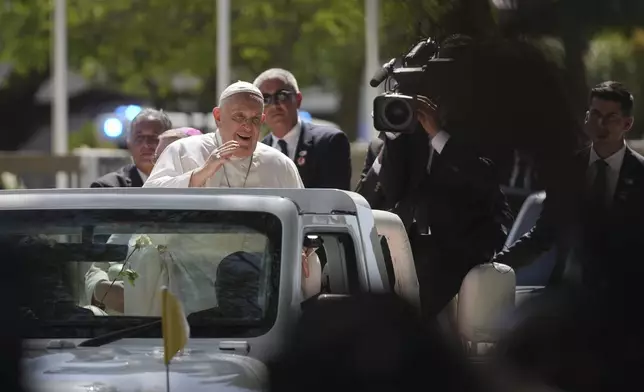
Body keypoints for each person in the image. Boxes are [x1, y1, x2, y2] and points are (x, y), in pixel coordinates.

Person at [493, 82, 644, 291]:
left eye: (611, 118)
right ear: (586, 118)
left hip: (625, 301)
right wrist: (493, 267)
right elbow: (542, 236)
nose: (601, 123)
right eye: (595, 114)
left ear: (627, 124)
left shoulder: (640, 174)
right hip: (568, 298)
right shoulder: (567, 171)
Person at [145, 81, 303, 189]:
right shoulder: (183, 151)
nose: (247, 127)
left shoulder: (280, 165)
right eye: (239, 117)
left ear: (262, 120)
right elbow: (148, 198)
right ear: (218, 116)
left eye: (254, 119)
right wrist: (199, 175)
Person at [254, 68, 352, 190]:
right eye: (266, 99)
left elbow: (334, 201)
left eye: (282, 96)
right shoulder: (257, 152)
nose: (274, 105)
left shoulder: (329, 142)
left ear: (298, 100)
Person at [90, 108, 172, 187]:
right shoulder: (108, 188)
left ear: (170, 143)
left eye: (154, 138)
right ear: (128, 143)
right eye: (139, 138)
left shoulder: (182, 183)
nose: (146, 144)